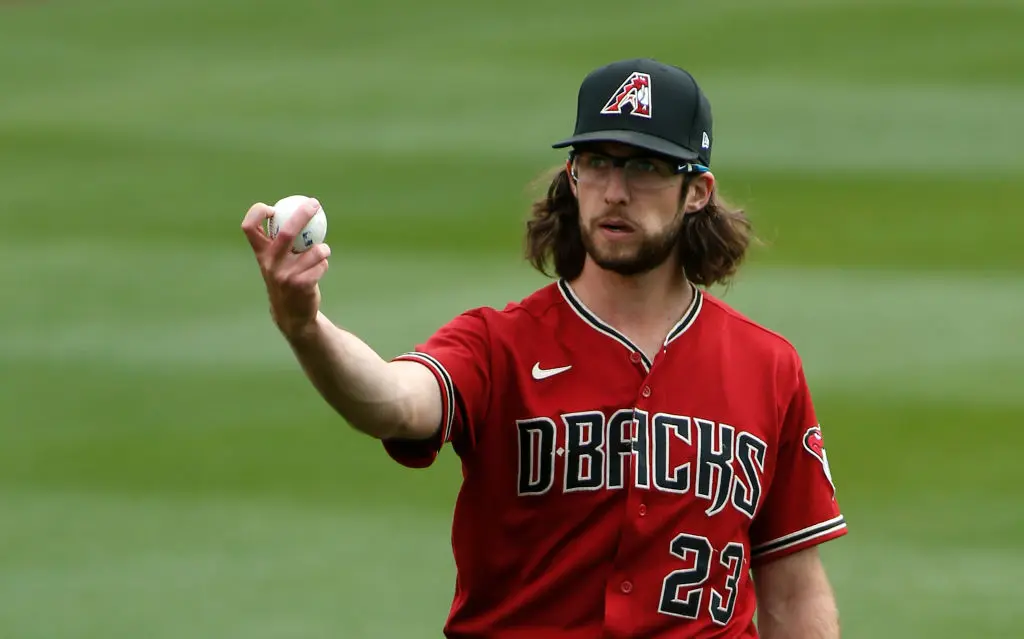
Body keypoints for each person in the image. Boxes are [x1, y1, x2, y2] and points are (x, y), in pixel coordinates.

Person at [241, 57, 847, 639]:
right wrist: (305, 326)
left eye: (646, 168)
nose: (615, 191)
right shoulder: (496, 345)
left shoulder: (767, 366)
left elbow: (793, 590)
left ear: (697, 191)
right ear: (573, 176)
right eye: (597, 162)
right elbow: (392, 402)